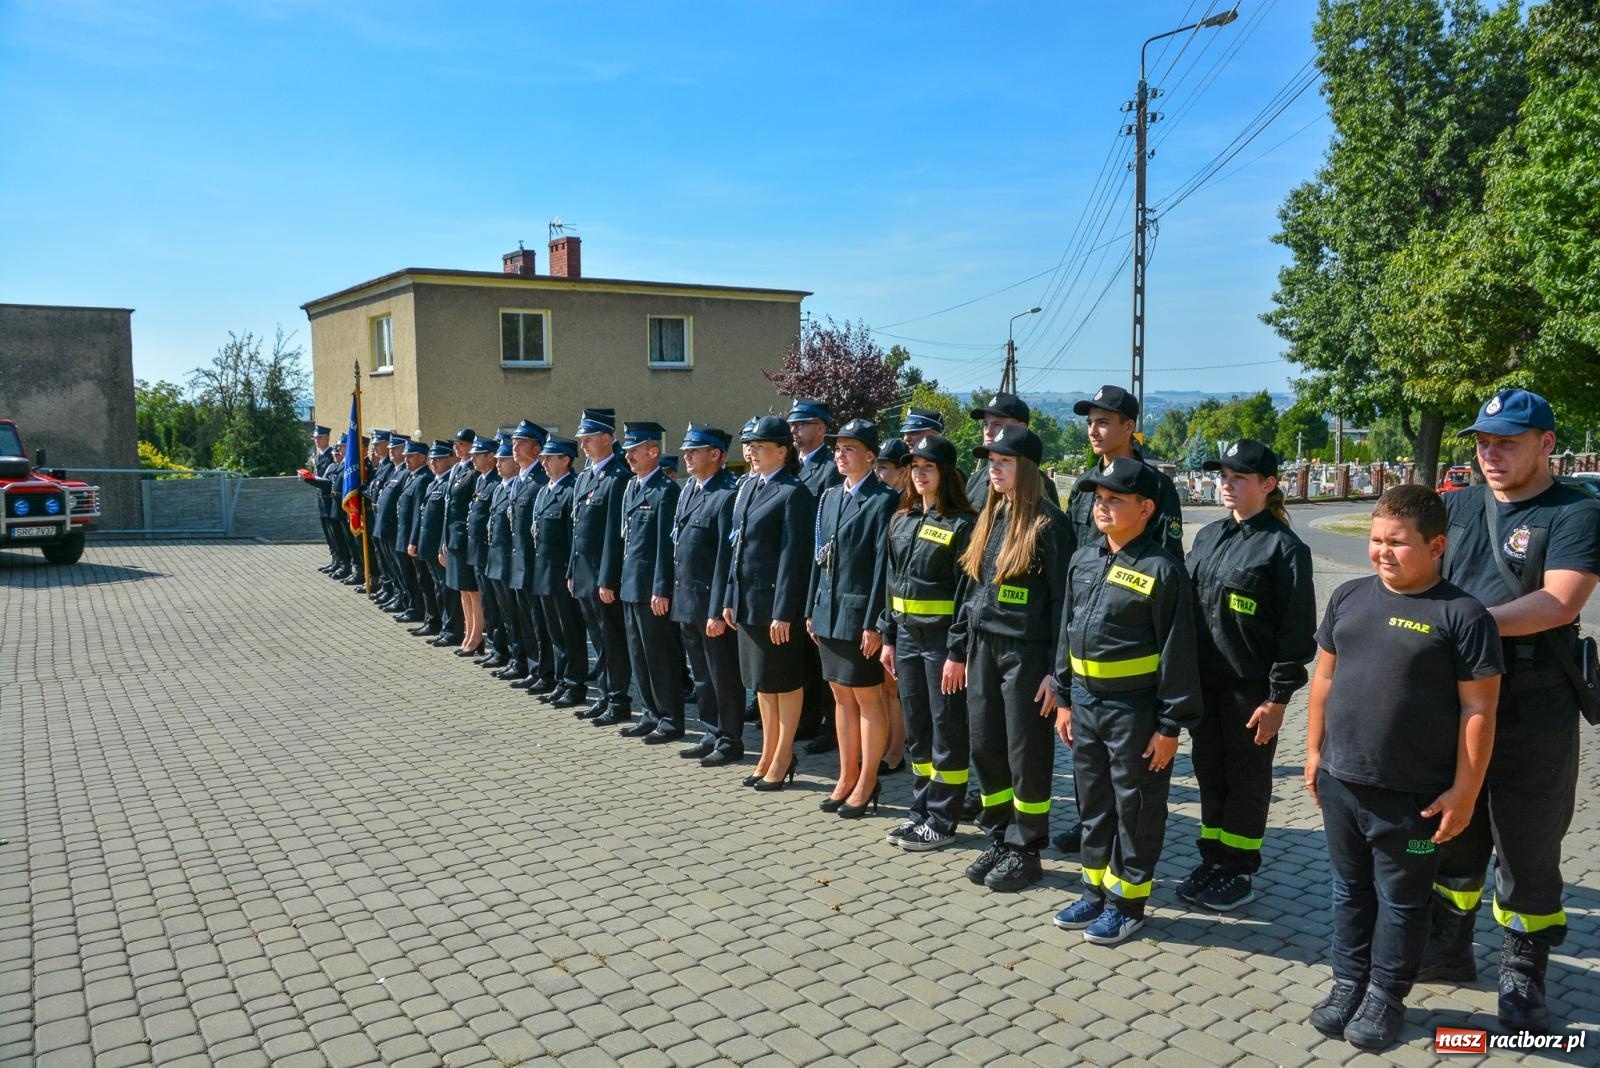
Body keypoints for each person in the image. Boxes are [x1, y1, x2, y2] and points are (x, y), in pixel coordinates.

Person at [1421, 388, 1600, 1032]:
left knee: (1526, 841)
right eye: (1482, 441)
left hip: (1533, 704)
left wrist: (1464, 626)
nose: (1489, 454)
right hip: (1457, 700)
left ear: (1547, 444)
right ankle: (1446, 945)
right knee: (1452, 826)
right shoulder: (1454, 505)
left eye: (1507, 442)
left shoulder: (1575, 513)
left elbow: (1559, 602)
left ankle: (1523, 969)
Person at [1303, 485, 1501, 1051]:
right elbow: (1325, 679)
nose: (1382, 552)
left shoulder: (1463, 616)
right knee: (1349, 890)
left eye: (1397, 542)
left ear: (1436, 545)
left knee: (1402, 901)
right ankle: (1349, 983)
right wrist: (1315, 753)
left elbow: (1479, 709)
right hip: (1343, 783)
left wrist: (1465, 791)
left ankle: (1387, 996)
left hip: (1413, 798)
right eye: (1374, 539)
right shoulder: (1348, 597)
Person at [1049, 456, 1201, 944]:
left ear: (1146, 508)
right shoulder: (1083, 559)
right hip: (1087, 706)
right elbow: (1066, 634)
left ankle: (1128, 905)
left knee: (1134, 808)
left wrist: (1170, 726)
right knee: (1092, 804)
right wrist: (1065, 698)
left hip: (1135, 712)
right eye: (1099, 498)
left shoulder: (1162, 569)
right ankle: (1094, 892)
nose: (1103, 507)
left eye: (1116, 499)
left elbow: (1179, 653)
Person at [1177, 439, 1316, 911]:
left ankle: (1239, 868)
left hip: (1250, 692)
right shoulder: (1209, 536)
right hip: (1205, 687)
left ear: (1268, 485)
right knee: (1210, 775)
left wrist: (1278, 700)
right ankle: (1213, 859)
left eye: (1239, 477)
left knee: (1247, 781)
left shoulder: (1285, 549)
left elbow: (1297, 637)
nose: (1227, 484)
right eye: (1223, 475)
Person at [1054, 382, 1185, 857]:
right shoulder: (1087, 484)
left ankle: (1125, 862)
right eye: (1090, 421)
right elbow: (1077, 556)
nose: (1094, 429)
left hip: (1132, 646)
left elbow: (1167, 565)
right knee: (1090, 771)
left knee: (1131, 784)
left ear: (1129, 427)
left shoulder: (1154, 485)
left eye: (1104, 421)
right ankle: (1093, 830)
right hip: (1091, 627)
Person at [946, 425, 1070, 892]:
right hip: (983, 649)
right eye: (991, 461)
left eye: (1004, 462)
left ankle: (1027, 847)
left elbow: (1063, 607)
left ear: (1027, 468)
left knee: (1026, 755)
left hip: (1027, 656)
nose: (993, 469)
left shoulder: (1048, 525)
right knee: (987, 747)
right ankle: (1000, 833)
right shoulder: (991, 518)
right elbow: (970, 590)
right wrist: (957, 648)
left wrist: (1057, 676)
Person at [879, 434, 976, 851]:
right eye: (914, 467)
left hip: (940, 644)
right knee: (917, 729)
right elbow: (891, 582)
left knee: (946, 730)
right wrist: (887, 637)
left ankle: (943, 818)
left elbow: (966, 597)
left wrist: (957, 651)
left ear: (946, 474)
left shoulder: (963, 526)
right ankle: (920, 810)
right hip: (905, 638)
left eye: (927, 467)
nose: (919, 474)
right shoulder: (901, 519)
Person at [806, 418, 898, 817]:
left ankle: (867, 780)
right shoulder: (828, 497)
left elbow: (883, 567)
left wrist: (876, 622)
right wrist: (811, 607)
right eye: (838, 448)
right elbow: (818, 557)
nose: (841, 455)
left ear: (870, 456)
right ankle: (846, 776)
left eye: (849, 448)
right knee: (839, 696)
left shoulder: (883, 499)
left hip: (859, 614)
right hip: (827, 610)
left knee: (867, 697)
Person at [724, 415, 817, 791]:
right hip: (748, 602)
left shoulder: (794, 492)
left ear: (783, 451)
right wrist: (731, 597)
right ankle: (767, 752)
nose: (752, 452)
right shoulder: (748, 487)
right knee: (762, 684)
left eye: (761, 446)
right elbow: (738, 547)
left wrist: (784, 612)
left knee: (784, 681)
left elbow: (794, 558)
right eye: (751, 446)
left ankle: (783, 755)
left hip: (775, 607)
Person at [671, 425, 745, 766]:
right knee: (701, 673)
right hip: (687, 598)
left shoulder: (727, 494)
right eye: (686, 450)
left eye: (695, 450)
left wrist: (717, 610)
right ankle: (711, 731)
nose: (687, 455)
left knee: (722, 674)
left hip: (709, 602)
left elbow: (723, 560)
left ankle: (730, 740)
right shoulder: (689, 489)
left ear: (715, 454)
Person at [615, 421, 687, 743]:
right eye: (628, 450)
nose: (629, 456)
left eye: (635, 450)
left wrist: (661, 588)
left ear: (653, 451)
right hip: (630, 584)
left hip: (650, 589)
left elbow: (663, 545)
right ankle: (650, 713)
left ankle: (671, 719)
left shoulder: (666, 490)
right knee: (639, 655)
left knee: (660, 656)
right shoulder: (633, 487)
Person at [788, 398, 844, 754]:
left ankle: (829, 725)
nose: (795, 429)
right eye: (793, 424)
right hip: (796, 569)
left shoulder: (829, 468)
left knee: (821, 655)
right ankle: (806, 718)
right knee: (802, 655)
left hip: (819, 567)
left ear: (821, 429)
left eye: (802, 424)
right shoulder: (794, 466)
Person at [571, 409, 634, 726]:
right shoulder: (586, 476)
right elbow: (577, 529)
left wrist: (608, 579)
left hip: (603, 576)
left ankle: (619, 700)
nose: (583, 444)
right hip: (584, 573)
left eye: (589, 438)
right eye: (582, 439)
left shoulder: (618, 478)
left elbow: (614, 536)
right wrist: (571, 570)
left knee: (612, 641)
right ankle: (604, 695)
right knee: (597, 639)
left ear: (608, 438)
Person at [533, 436, 590, 710]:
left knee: (570, 633)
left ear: (565, 460)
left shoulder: (571, 490)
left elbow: (573, 539)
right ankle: (561, 680)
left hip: (562, 574)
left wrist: (571, 572)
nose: (543, 462)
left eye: (549, 458)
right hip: (544, 573)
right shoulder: (545, 490)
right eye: (543, 457)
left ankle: (575, 684)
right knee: (554, 632)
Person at [874, 439, 912, 773]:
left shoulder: (904, 506)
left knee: (894, 686)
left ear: (903, 472)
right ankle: (888, 742)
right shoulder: (882, 502)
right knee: (885, 686)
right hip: (887, 610)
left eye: (885, 467)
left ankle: (896, 749)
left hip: (905, 615)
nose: (879, 474)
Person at [507, 420, 553, 693]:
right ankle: (534, 669)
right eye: (514, 442)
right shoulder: (519, 480)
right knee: (525, 621)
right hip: (518, 564)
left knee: (540, 625)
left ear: (537, 449)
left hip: (534, 567)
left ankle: (545, 673)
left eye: (521, 443)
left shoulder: (538, 482)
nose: (514, 447)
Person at [964, 393, 1061, 507]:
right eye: (985, 424)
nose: (988, 432)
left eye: (997, 425)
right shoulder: (975, 480)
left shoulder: (1040, 485)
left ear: (1021, 428)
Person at [484, 441, 523, 676]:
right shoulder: (500, 487)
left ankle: (520, 660)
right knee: (503, 614)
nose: (498, 464)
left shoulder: (515, 488)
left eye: (503, 460)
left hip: (509, 562)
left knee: (516, 618)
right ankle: (510, 655)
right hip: (495, 559)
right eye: (497, 460)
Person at [459, 436, 499, 657]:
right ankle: (495, 647)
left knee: (494, 605)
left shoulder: (494, 482)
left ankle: (501, 649)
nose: (472, 458)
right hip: (477, 551)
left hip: (488, 552)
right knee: (487, 604)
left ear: (490, 456)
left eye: (477, 454)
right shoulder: (482, 480)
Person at [413, 440, 454, 640]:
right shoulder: (434, 482)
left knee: (446, 590)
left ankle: (450, 628)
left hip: (440, 546)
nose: (434, 463)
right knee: (436, 588)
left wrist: (442, 546)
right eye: (431, 459)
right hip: (428, 545)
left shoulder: (447, 484)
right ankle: (439, 624)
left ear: (449, 459)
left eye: (438, 459)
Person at [394, 438, 434, 627]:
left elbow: (419, 513)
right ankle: (415, 609)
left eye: (410, 456)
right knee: (410, 577)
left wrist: (413, 540)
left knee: (422, 580)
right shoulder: (412, 476)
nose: (406, 459)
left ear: (421, 457)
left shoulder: (424, 478)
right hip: (404, 535)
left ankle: (424, 614)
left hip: (413, 537)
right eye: (406, 456)